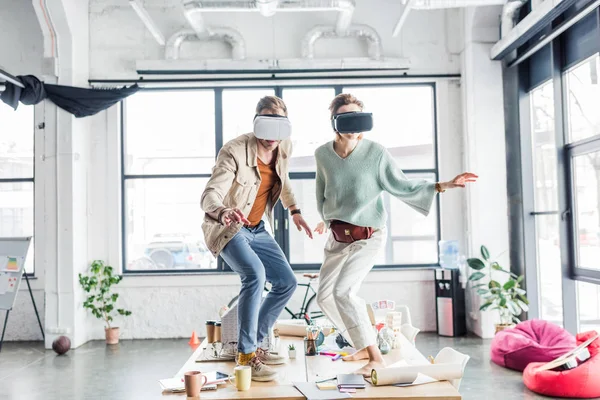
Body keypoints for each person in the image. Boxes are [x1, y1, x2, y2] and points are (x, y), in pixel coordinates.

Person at [314, 93, 477, 376]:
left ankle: (376, 357)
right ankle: (362, 344)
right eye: (346, 117)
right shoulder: (322, 154)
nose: (353, 125)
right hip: (337, 237)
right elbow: (322, 192)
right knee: (325, 296)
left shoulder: (375, 153)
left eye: (358, 117)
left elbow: (401, 185)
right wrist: (324, 219)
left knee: (344, 292)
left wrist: (442, 185)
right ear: (334, 122)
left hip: (369, 236)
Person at [200, 96, 313, 382]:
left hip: (258, 228)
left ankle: (258, 343)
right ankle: (247, 355)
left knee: (286, 281)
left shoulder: (283, 146)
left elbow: (283, 180)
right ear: (256, 122)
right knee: (255, 275)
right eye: (266, 126)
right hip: (229, 227)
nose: (272, 138)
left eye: (279, 128)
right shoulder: (234, 151)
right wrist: (223, 209)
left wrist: (295, 210)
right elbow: (210, 193)